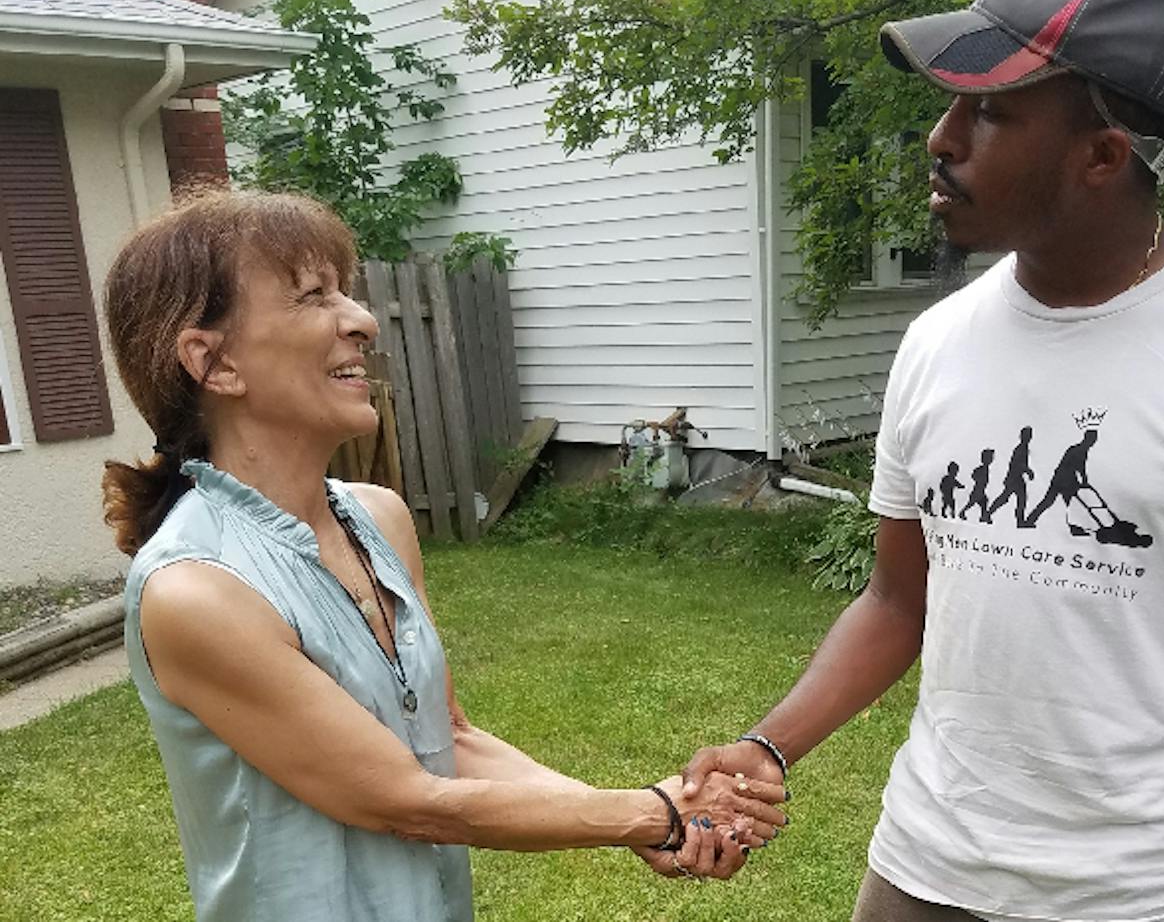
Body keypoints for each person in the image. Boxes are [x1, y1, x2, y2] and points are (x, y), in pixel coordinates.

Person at [682, 0, 1164, 922]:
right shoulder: (936, 342)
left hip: (1143, 897)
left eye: (990, 113)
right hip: (922, 871)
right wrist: (767, 743)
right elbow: (894, 602)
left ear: (1100, 154)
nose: (940, 138)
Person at [100, 190, 787, 922]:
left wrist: (649, 810)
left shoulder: (379, 518)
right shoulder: (195, 591)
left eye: (347, 292)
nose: (361, 320)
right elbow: (405, 801)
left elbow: (444, 742)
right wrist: (653, 815)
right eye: (311, 297)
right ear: (215, 362)